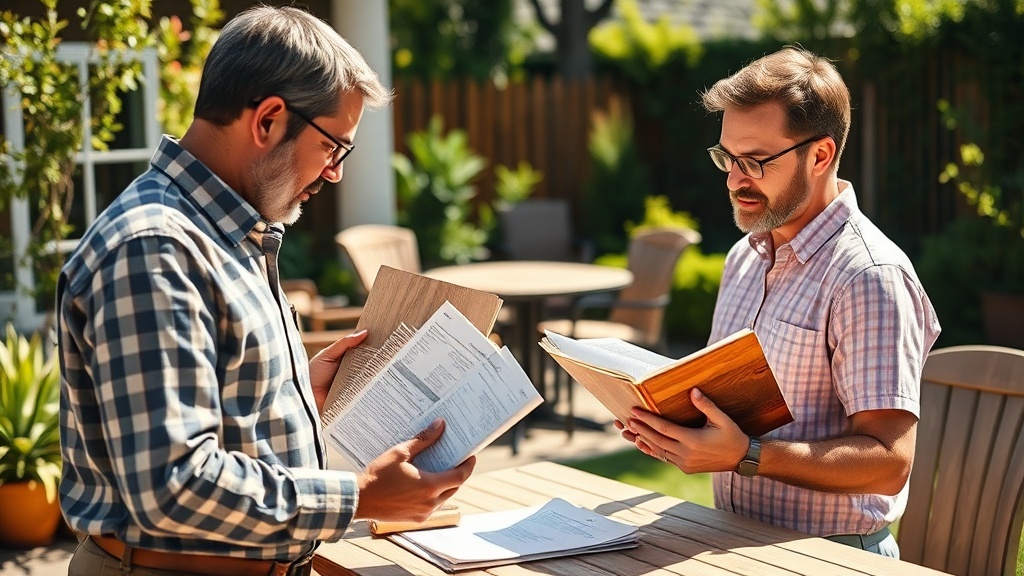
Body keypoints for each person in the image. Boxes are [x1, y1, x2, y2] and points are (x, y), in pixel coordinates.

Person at [56, 6, 474, 576]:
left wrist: (293, 392)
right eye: (334, 147)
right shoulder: (155, 249)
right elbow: (171, 485)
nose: (335, 173)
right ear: (269, 120)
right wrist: (358, 497)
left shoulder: (228, 234)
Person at [618, 46, 940, 558]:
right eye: (727, 158)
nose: (734, 179)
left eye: (755, 161)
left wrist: (748, 455)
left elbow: (889, 461)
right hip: (732, 543)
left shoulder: (868, 277)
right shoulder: (743, 258)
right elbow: (724, 407)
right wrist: (670, 425)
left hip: (834, 556)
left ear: (820, 155)